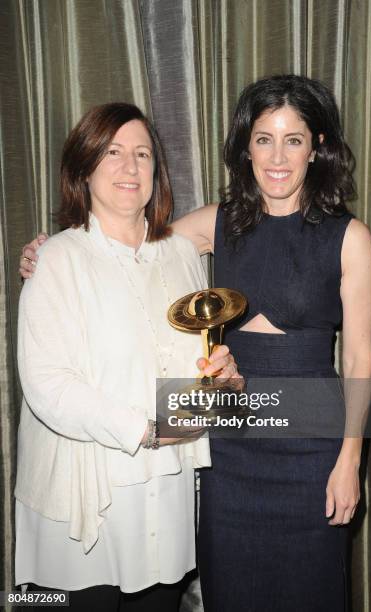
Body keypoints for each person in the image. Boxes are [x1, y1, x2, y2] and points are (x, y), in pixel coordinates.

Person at [20, 75, 371, 612]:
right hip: (228, 450)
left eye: (293, 139)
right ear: (245, 147)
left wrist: (350, 462)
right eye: (263, 138)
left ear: (317, 146)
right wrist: (48, 249)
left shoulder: (350, 237)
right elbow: (129, 242)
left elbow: (358, 359)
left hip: (313, 450)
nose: (277, 156)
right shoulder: (215, 223)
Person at [15, 102, 239, 612]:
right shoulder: (57, 258)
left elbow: (189, 367)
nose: (129, 166)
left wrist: (221, 379)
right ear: (84, 168)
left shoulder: (182, 254)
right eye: (112, 152)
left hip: (166, 501)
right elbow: (48, 384)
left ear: (158, 172)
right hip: (83, 509)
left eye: (142, 154)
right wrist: (146, 429)